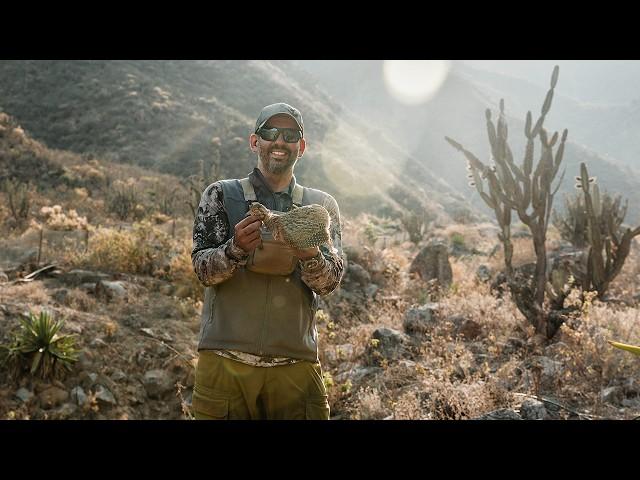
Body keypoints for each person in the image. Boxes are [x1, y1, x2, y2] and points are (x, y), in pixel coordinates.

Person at [191, 102, 344, 420]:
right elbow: (202, 271)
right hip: (224, 366)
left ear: (301, 147)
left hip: (295, 370)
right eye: (270, 133)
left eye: (289, 135)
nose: (279, 141)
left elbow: (330, 282)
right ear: (254, 141)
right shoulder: (220, 195)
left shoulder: (321, 207)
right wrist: (234, 250)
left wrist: (309, 255)